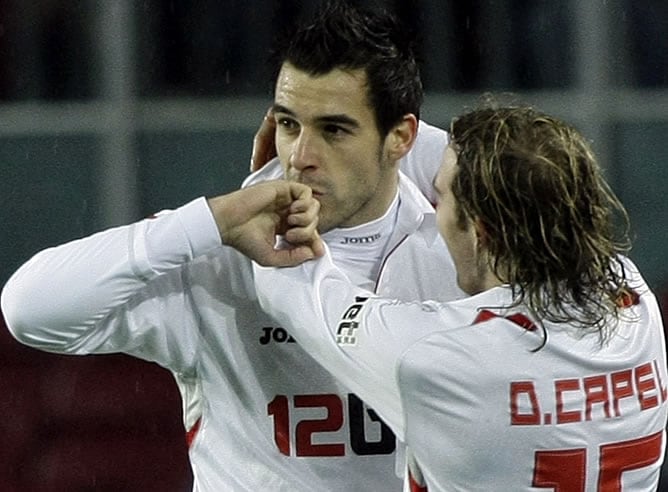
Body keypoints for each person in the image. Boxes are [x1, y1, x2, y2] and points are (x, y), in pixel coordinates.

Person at [0, 2, 464, 490]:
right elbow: (30, 311)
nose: (301, 157)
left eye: (334, 129)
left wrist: (451, 157)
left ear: (402, 137)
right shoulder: (214, 255)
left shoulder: (463, 250)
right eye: (288, 124)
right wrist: (213, 218)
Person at [252, 103, 668, 491]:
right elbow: (533, 170)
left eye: (440, 195)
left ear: (479, 231)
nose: (433, 207)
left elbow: (292, 284)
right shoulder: (632, 298)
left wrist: (275, 180)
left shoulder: (435, 356)